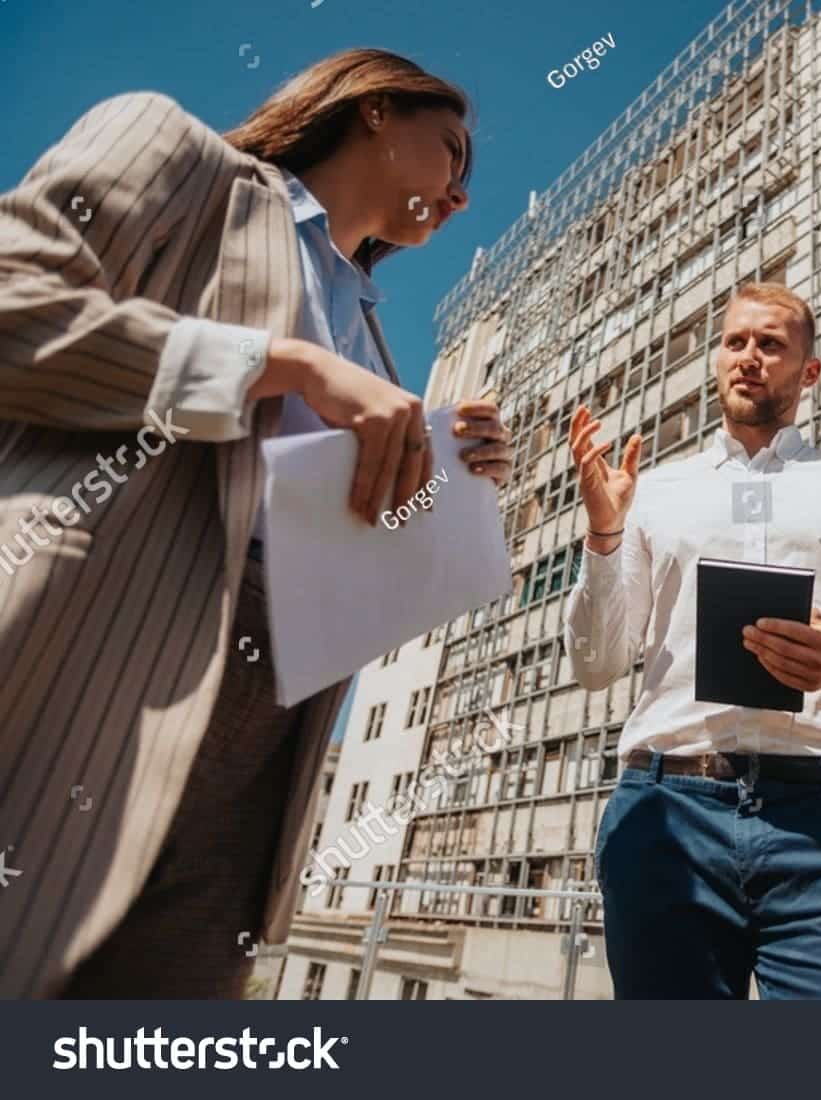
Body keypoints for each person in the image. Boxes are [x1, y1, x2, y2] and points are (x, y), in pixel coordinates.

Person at [0, 49, 515, 998]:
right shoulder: (180, 157)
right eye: (452, 154)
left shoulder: (376, 339)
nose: (461, 196)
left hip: (275, 719)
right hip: (104, 640)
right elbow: (15, 309)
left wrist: (443, 470)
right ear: (373, 109)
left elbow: (333, 513)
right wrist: (280, 365)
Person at [563, 283, 821, 998]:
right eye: (735, 342)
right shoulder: (651, 492)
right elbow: (597, 666)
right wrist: (603, 534)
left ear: (809, 371)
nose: (749, 357)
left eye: (770, 344)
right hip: (666, 812)